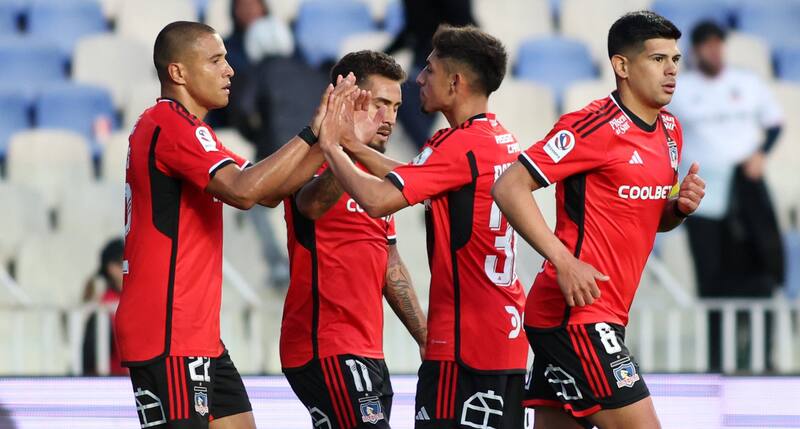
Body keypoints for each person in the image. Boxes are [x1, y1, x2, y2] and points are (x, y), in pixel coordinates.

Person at [116, 21, 368, 429]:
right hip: (168, 330)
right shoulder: (170, 125)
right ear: (178, 72)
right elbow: (244, 191)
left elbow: (267, 191)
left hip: (196, 333)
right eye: (216, 60)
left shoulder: (193, 131)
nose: (230, 70)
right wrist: (312, 133)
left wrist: (327, 140)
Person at [492, 11, 706, 428]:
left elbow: (647, 218)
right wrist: (564, 261)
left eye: (676, 60)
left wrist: (676, 208)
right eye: (658, 59)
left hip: (600, 314)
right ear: (622, 66)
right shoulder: (591, 127)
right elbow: (509, 186)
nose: (671, 71)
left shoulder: (670, 131)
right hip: (576, 315)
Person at [318, 25, 529, 428]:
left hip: (463, 342)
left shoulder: (456, 144)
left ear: (455, 82)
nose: (419, 79)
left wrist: (331, 146)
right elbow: (421, 175)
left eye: (429, 70)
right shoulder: (497, 139)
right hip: (505, 334)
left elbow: (378, 200)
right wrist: (356, 147)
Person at [281, 50, 427, 429]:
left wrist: (424, 336)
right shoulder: (312, 155)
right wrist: (342, 145)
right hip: (325, 345)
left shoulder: (374, 172)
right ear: (349, 99)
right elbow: (309, 206)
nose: (390, 118)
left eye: (396, 107)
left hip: (366, 349)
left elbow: (389, 260)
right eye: (380, 104)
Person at [668, 20, 785, 372]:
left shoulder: (747, 83)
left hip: (747, 189)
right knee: (713, 278)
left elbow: (774, 123)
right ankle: (719, 361)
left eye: (718, 44)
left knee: (763, 268)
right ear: (695, 50)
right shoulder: (682, 89)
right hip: (703, 194)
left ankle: (763, 359)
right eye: (706, 45)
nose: (714, 51)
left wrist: (760, 154)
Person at [82, 237, 125, 376]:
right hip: (115, 383)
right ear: (112, 268)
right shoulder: (103, 308)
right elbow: (90, 357)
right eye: (123, 263)